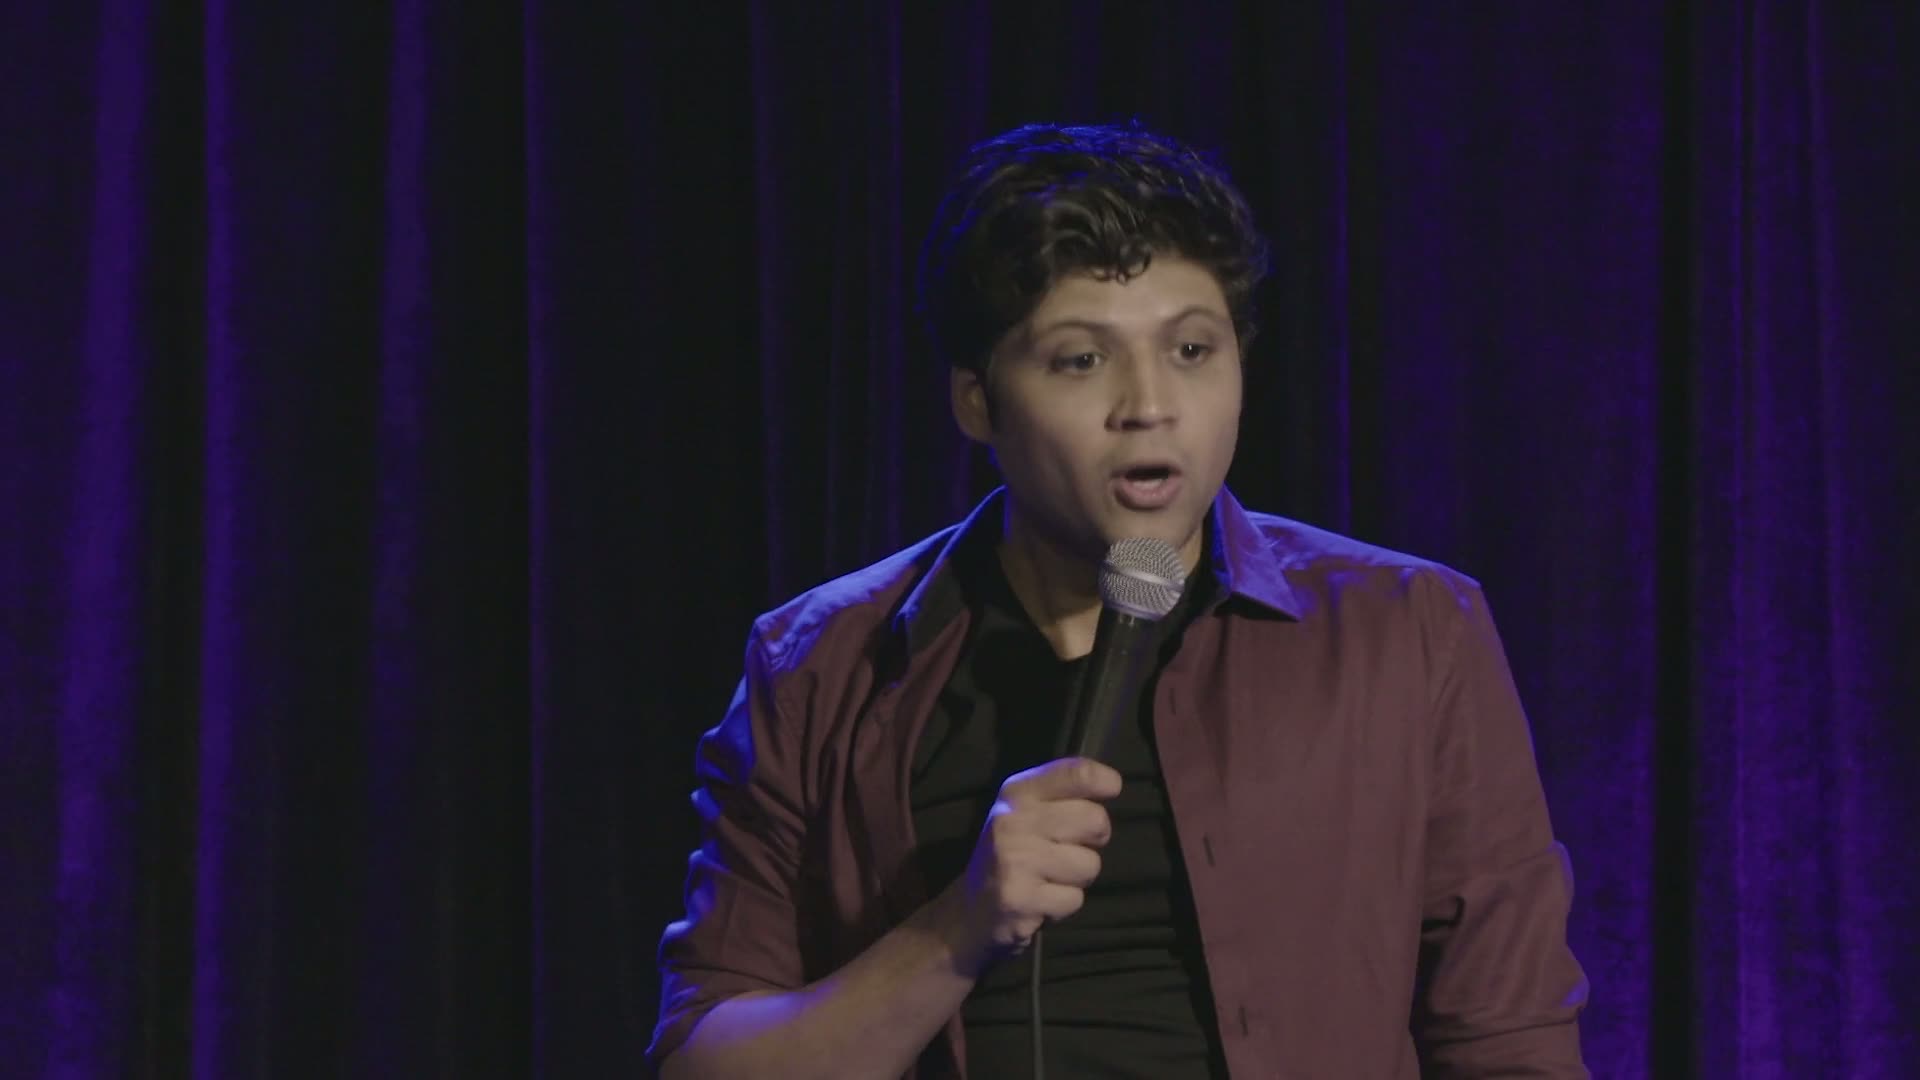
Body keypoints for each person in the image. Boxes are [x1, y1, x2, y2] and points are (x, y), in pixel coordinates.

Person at [649, 122, 1588, 1079]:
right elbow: (703, 1061)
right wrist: (957, 927)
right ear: (976, 401)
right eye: (1081, 360)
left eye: (1191, 349)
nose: (1149, 405)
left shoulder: (1408, 631)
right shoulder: (822, 664)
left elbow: (1511, 1044)